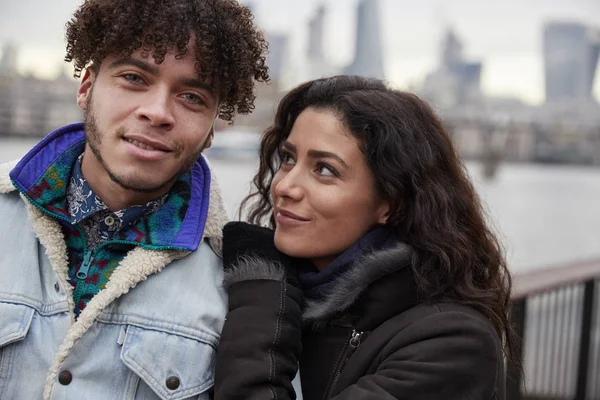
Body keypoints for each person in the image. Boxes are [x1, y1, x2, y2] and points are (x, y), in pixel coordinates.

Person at [0, 1, 268, 398]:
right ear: (86, 87)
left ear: (213, 129)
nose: (158, 112)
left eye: (192, 97)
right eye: (134, 77)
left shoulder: (243, 284)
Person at [214, 75, 514, 400]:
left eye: (324, 169)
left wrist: (261, 294)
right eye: (288, 158)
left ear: (392, 202)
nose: (284, 186)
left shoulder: (453, 345)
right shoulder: (292, 295)